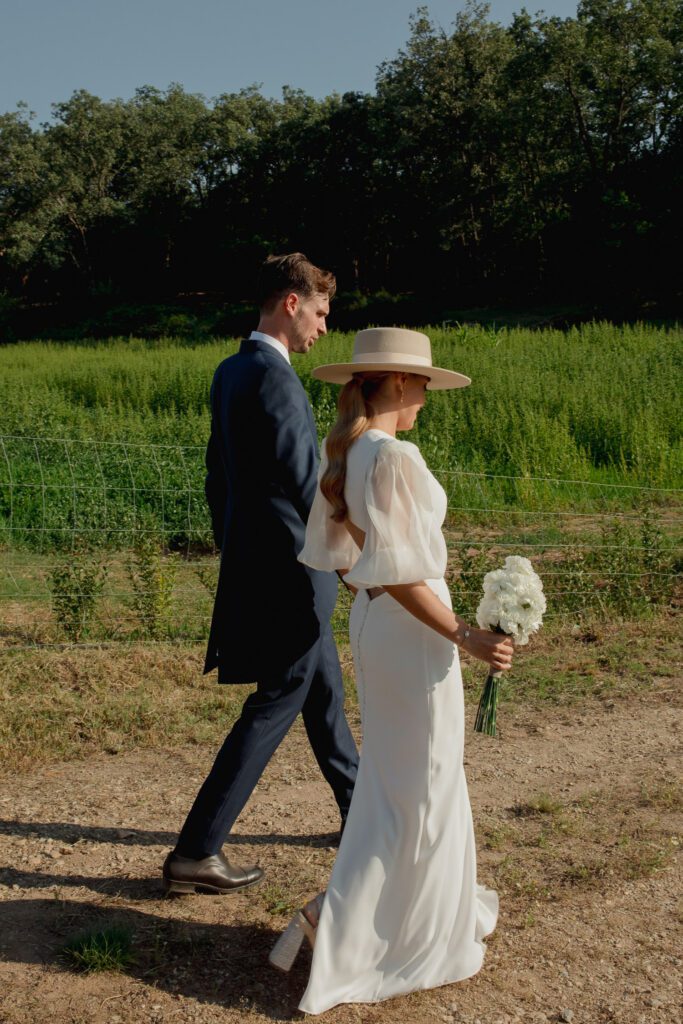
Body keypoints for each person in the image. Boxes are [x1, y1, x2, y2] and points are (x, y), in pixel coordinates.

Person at [269, 327, 514, 1013]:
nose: (426, 401)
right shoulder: (392, 454)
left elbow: (346, 561)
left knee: (399, 781)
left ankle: (374, 914)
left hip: (377, 624)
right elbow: (405, 574)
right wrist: (464, 632)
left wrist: (381, 594)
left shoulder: (347, 450)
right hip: (412, 631)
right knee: (424, 784)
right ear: (400, 384)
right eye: (424, 388)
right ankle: (352, 926)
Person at [163, 254, 359, 895]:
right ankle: (197, 849)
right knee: (280, 698)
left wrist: (237, 548)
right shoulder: (276, 379)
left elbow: (216, 476)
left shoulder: (231, 371)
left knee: (321, 688)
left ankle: (359, 809)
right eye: (323, 313)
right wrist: (353, 557)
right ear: (292, 303)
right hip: (294, 572)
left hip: (265, 566)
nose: (325, 329)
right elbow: (309, 486)